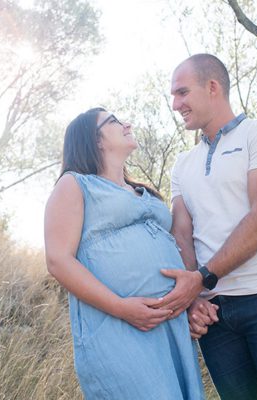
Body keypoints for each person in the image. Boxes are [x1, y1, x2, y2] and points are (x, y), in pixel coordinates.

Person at [157, 54, 257, 399]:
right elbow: (181, 233)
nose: (175, 104)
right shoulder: (183, 164)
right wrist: (194, 297)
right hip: (215, 317)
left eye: (182, 93)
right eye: (173, 95)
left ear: (212, 87)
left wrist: (200, 278)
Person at [44, 108, 204, 399]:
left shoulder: (142, 191)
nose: (127, 123)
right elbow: (58, 260)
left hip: (169, 325)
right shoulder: (75, 184)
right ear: (96, 140)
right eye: (114, 121)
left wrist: (191, 299)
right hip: (117, 326)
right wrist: (121, 308)